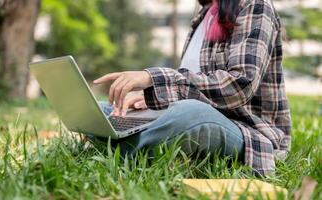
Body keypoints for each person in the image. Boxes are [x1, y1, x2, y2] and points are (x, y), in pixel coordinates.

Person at [93, 0, 291, 176]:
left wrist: (153, 78)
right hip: (197, 112)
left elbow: (239, 86)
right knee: (103, 111)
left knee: (189, 114)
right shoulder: (204, 13)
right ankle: (125, 139)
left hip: (246, 131)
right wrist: (154, 98)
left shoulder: (255, 5)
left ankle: (114, 149)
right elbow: (193, 85)